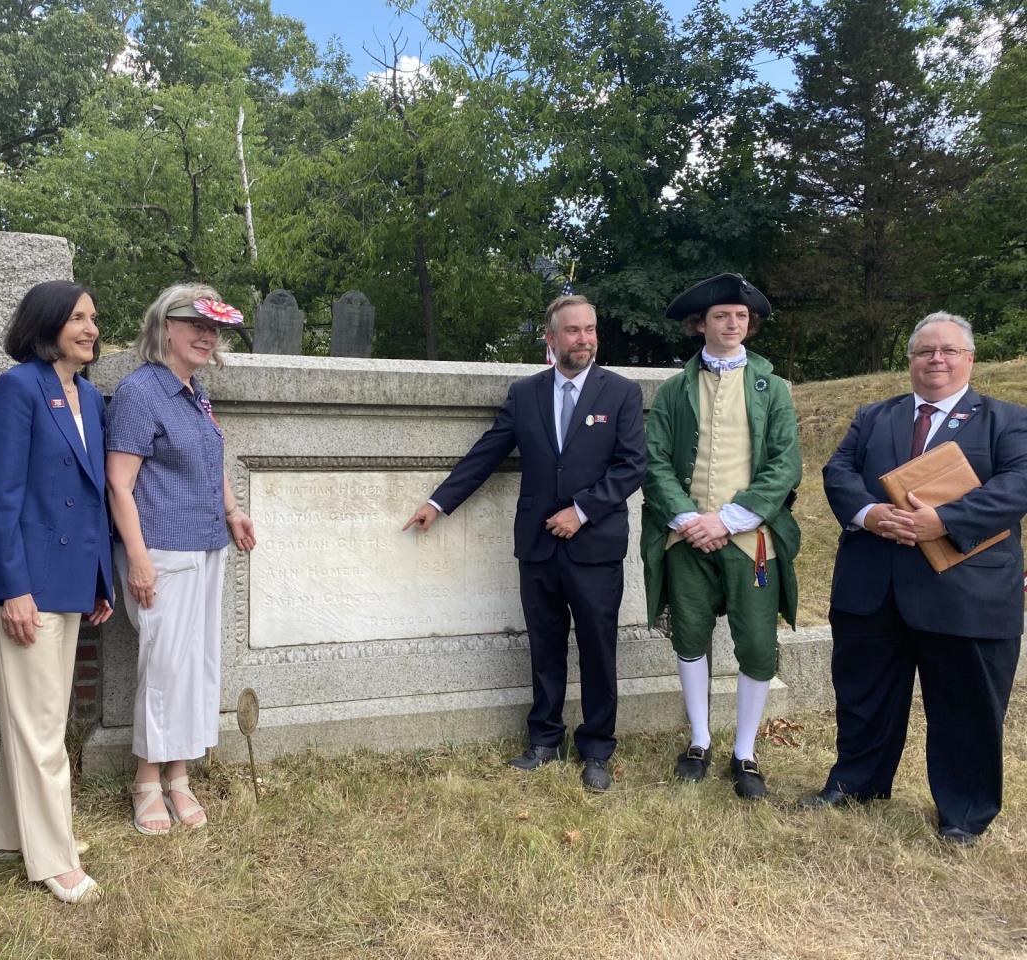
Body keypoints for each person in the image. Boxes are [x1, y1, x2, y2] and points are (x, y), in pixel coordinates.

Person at [403, 294, 646, 792]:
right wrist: (438, 503)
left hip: (594, 545)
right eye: (573, 331)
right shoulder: (526, 393)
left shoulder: (620, 393)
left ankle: (597, 747)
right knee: (544, 645)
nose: (584, 339)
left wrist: (580, 512)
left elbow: (631, 467)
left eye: (590, 329)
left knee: (599, 648)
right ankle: (544, 739)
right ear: (551, 338)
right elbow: (487, 453)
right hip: (537, 547)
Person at [804, 311, 1027, 843]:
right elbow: (839, 471)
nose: (937, 360)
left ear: (969, 359)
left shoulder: (1006, 420)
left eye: (948, 351)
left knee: (966, 706)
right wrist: (868, 514)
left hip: (963, 591)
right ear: (909, 361)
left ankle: (964, 812)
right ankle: (857, 782)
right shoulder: (874, 416)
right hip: (873, 587)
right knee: (865, 696)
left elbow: (1019, 483)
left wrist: (943, 520)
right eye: (925, 351)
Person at [0, 281, 114, 903]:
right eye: (78, 317)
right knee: (40, 727)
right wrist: (13, 589)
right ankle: (54, 859)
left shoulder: (89, 395)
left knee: (42, 718)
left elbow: (93, 499)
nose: (90, 327)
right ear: (47, 323)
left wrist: (101, 580)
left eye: (93, 317)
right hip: (26, 583)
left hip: (72, 581)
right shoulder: (18, 387)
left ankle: (14, 834)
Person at [641, 273, 802, 800]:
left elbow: (785, 465)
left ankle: (746, 751)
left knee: (756, 644)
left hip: (749, 538)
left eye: (740, 316)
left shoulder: (772, 387)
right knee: (689, 635)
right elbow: (655, 460)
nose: (732, 324)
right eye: (721, 316)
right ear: (700, 325)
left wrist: (730, 518)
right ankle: (700, 739)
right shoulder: (674, 388)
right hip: (687, 536)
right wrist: (689, 519)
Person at [105, 284, 257, 833]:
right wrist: (138, 559)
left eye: (212, 328)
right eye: (193, 322)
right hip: (160, 550)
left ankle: (179, 775)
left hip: (206, 545)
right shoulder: (139, 393)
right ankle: (147, 780)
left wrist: (233, 509)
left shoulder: (196, 393)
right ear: (164, 325)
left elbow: (210, 459)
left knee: (195, 666)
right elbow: (118, 484)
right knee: (165, 667)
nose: (205, 334)